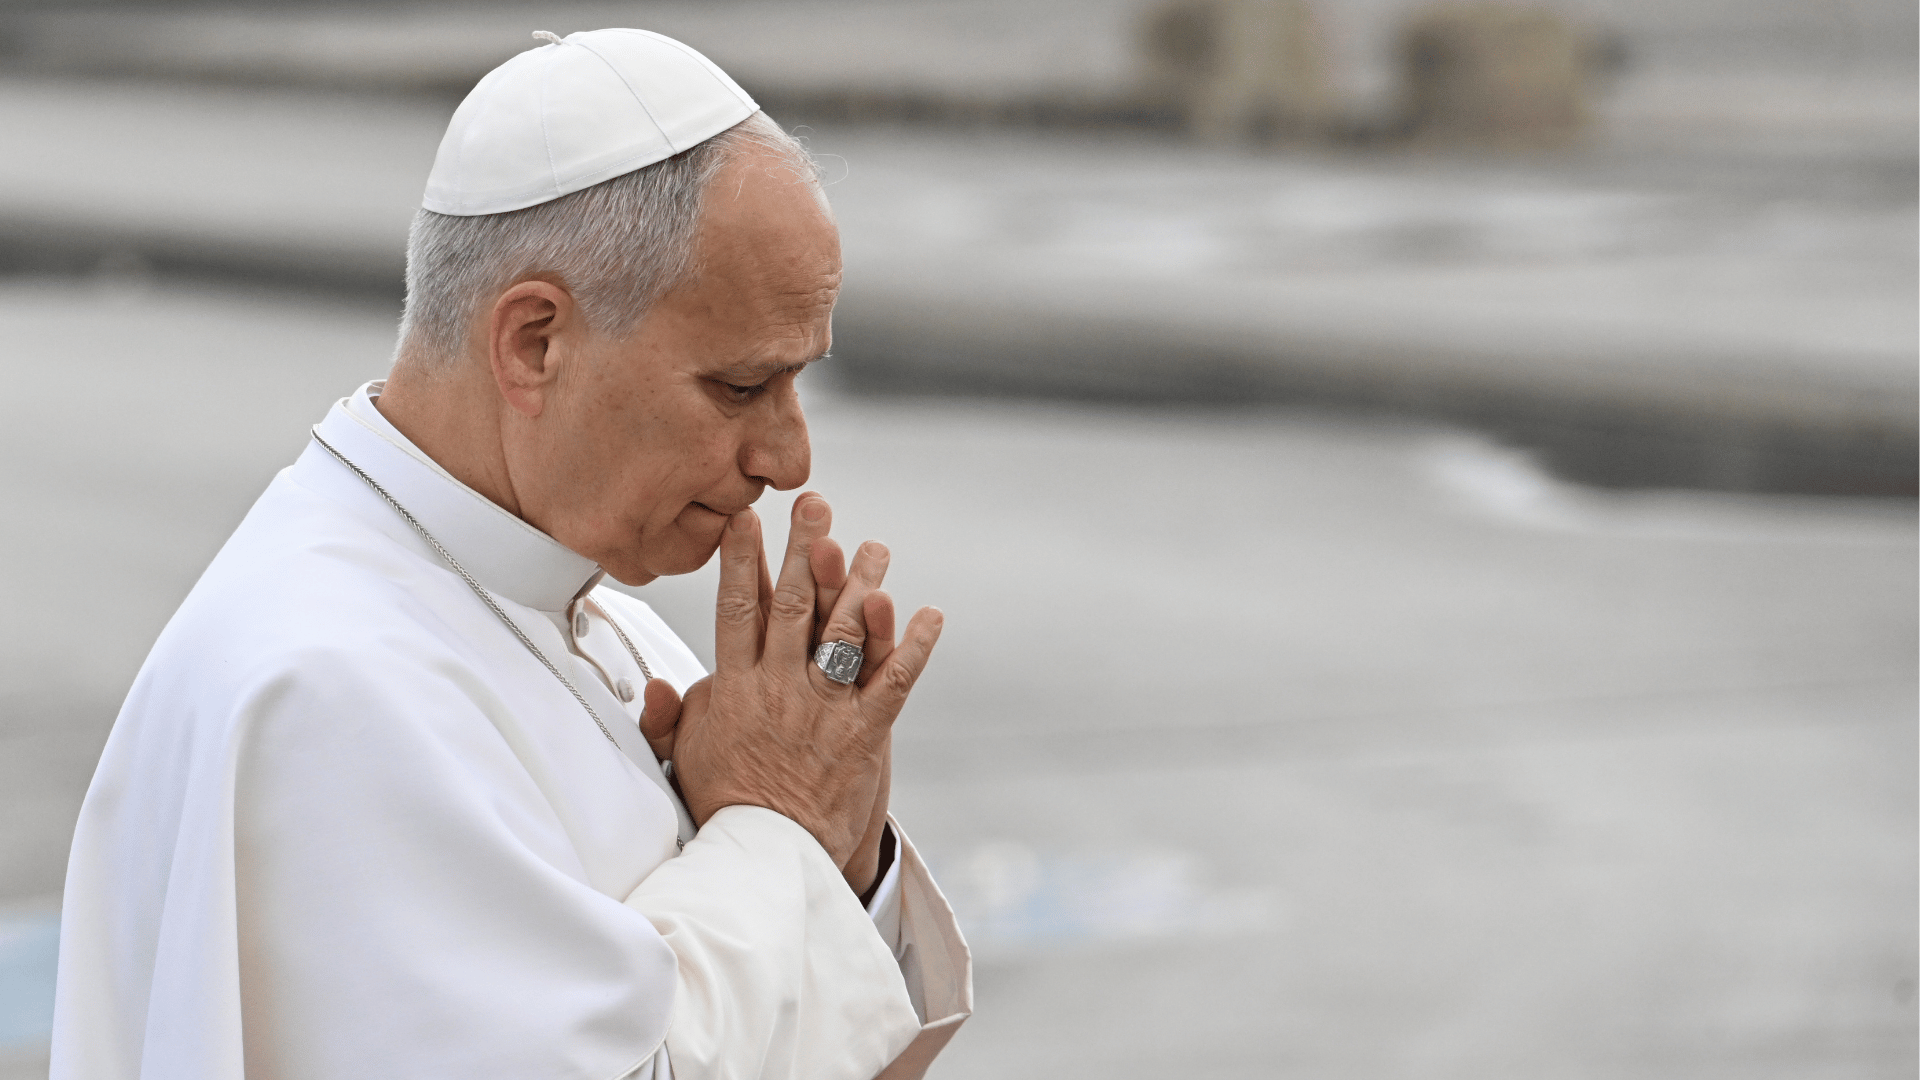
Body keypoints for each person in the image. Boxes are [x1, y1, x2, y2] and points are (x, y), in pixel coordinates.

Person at [50, 28, 971, 1080]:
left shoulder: (588, 603)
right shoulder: (328, 685)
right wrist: (779, 825)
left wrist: (841, 855)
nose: (789, 456)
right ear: (535, 343)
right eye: (741, 386)